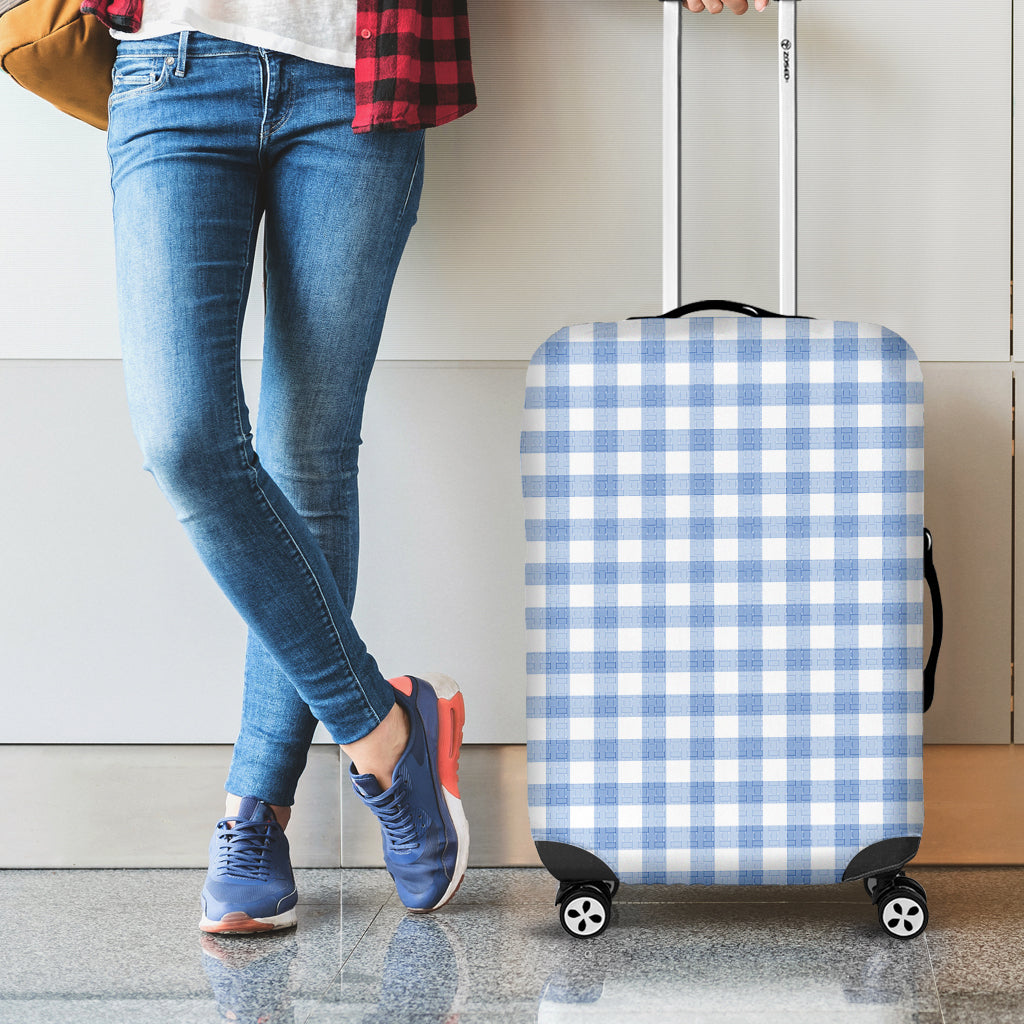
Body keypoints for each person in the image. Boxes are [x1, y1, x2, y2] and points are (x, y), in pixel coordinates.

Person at [84, 0, 476, 933]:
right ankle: (385, 730)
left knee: (308, 456)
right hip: (173, 69)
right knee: (184, 441)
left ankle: (255, 813)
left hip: (359, 78)